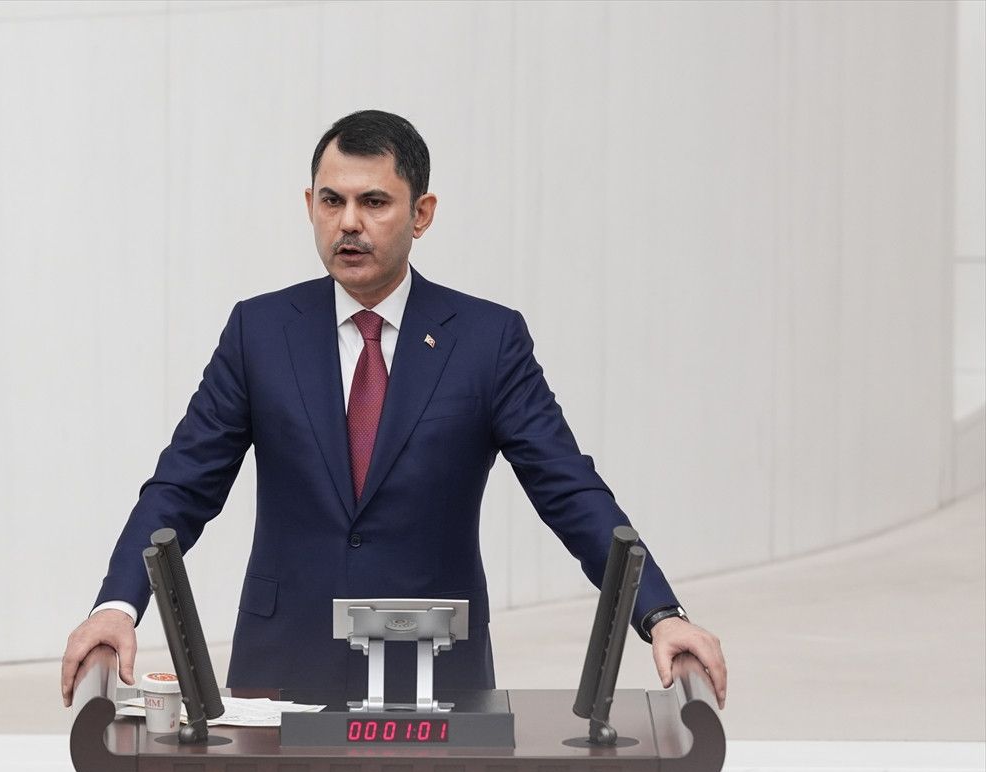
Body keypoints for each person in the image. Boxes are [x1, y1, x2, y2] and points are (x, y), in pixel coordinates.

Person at [61, 110, 727, 713]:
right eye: (332, 201)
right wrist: (118, 604)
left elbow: (569, 488)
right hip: (284, 666)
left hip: (437, 674)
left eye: (373, 202)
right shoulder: (259, 332)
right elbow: (182, 485)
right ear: (310, 206)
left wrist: (659, 614)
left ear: (422, 213)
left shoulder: (487, 340)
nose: (348, 222)